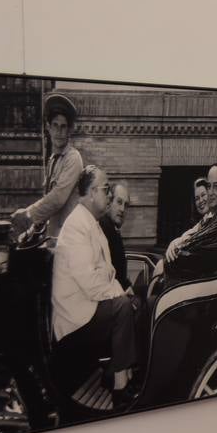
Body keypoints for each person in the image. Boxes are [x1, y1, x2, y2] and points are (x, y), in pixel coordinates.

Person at [52, 165, 136, 393]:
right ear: (91, 193)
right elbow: (90, 282)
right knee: (123, 308)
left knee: (131, 304)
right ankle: (121, 387)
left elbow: (108, 273)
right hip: (75, 319)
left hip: (88, 307)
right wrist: (120, 294)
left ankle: (123, 373)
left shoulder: (92, 224)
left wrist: (121, 290)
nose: (109, 195)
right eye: (106, 189)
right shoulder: (76, 227)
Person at [10, 92, 82, 241]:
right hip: (53, 239)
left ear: (69, 130)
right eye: (55, 126)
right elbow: (47, 204)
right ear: (48, 128)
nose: (59, 132)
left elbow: (57, 198)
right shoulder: (52, 161)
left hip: (68, 241)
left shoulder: (73, 158)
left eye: (63, 127)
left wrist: (28, 215)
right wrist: (29, 233)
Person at [100, 182, 132, 293]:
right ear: (109, 202)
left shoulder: (112, 229)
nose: (122, 209)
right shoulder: (105, 228)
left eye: (126, 205)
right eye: (119, 202)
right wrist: (127, 288)